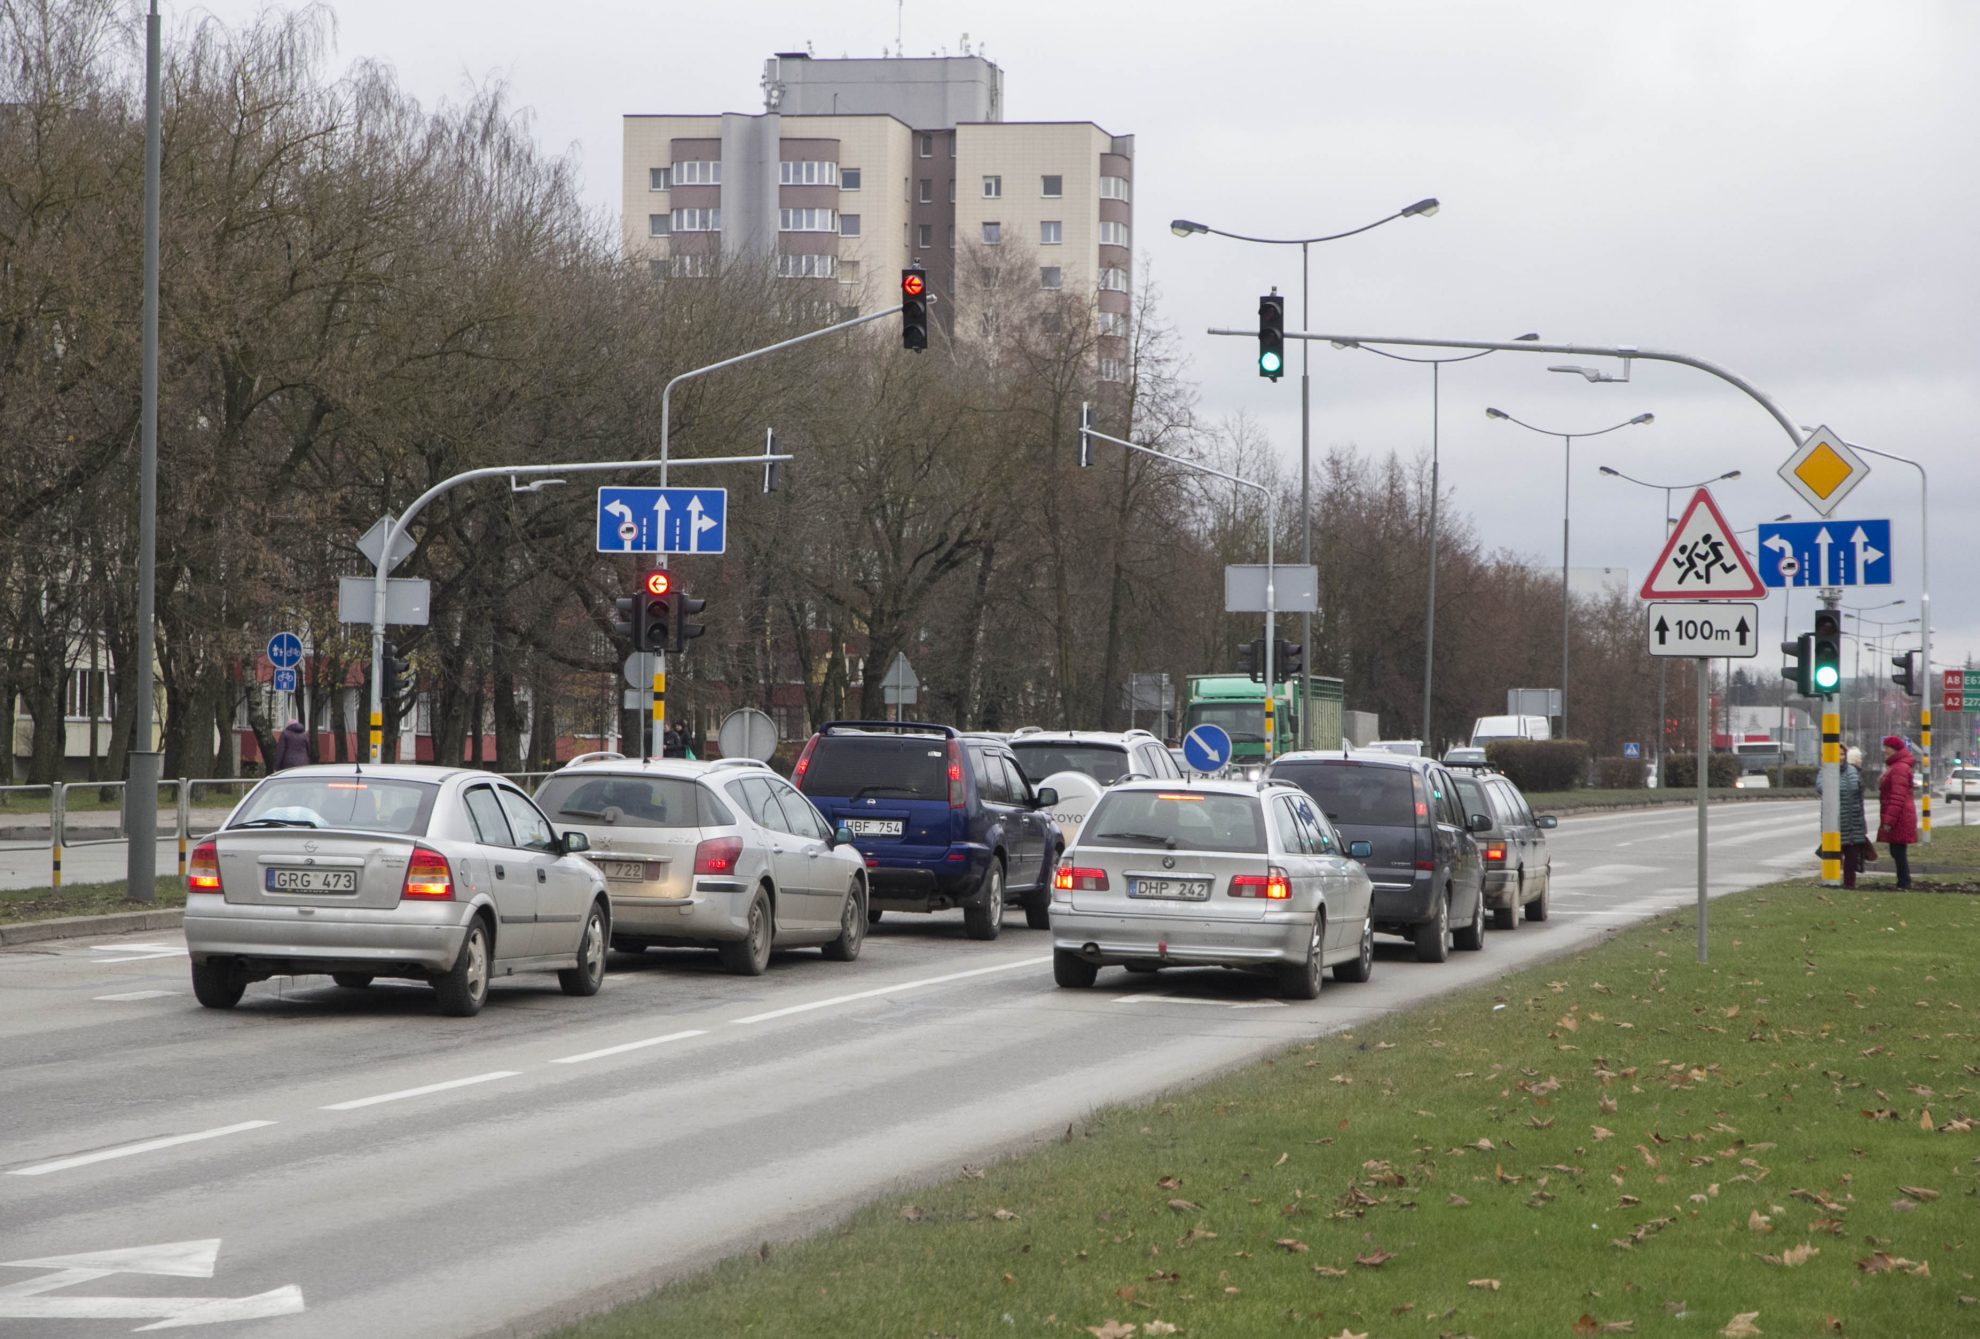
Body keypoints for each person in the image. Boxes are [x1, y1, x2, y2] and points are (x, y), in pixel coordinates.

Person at [1876, 734, 1918, 890]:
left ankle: (1904, 881)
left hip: (1900, 817)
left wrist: (1889, 820)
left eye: (1886, 750)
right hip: (1901, 815)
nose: (1884, 753)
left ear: (1894, 750)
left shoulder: (1899, 768)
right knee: (1897, 850)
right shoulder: (1898, 766)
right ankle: (1903, 881)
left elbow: (1897, 797)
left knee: (1898, 851)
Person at [1838, 745, 1869, 889]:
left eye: (1842, 754)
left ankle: (1848, 883)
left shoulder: (1854, 774)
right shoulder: (1828, 772)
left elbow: (1858, 800)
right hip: (1843, 821)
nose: (1840, 757)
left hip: (1852, 820)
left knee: (1850, 854)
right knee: (1840, 853)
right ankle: (1840, 881)